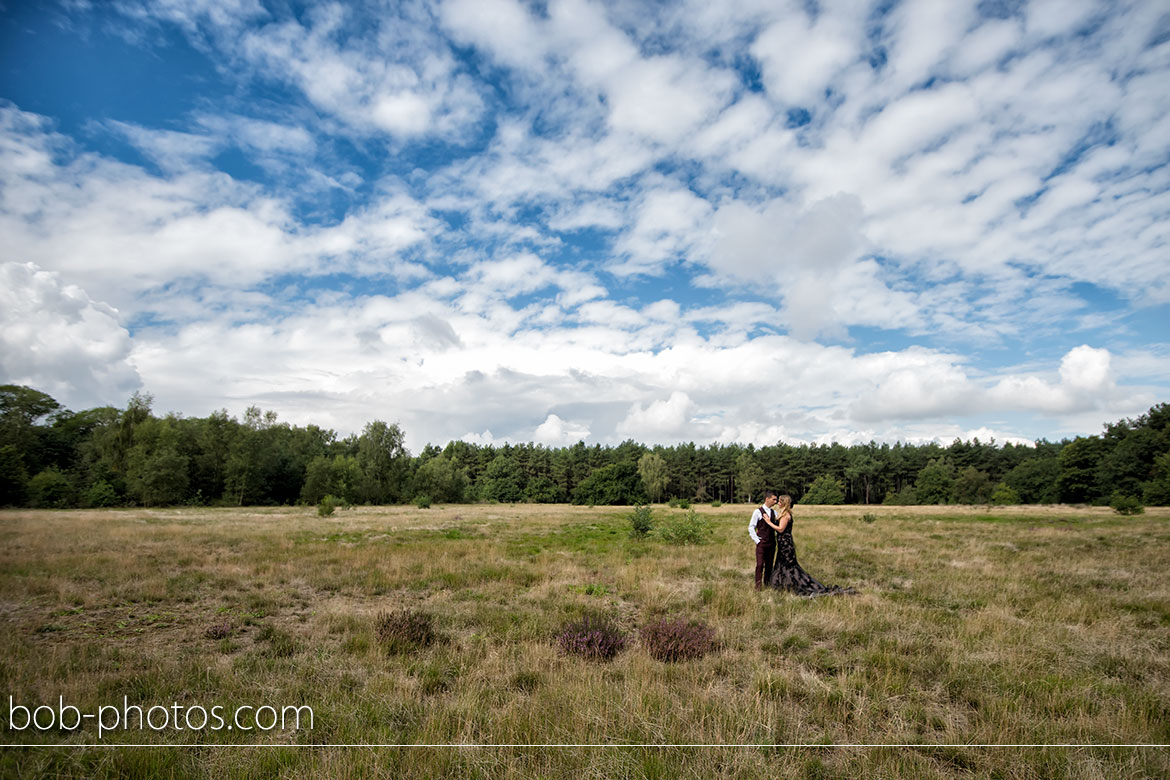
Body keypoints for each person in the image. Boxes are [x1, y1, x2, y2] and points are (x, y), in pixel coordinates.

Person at [768, 494, 857, 597]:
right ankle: (781, 585)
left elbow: (780, 529)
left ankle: (793, 584)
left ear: (784, 503)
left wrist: (768, 522)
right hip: (783, 543)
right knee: (781, 564)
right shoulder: (783, 514)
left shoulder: (786, 515)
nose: (777, 503)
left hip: (786, 545)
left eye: (779, 501)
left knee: (788, 566)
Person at [749, 489, 780, 590]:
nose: (775, 502)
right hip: (762, 543)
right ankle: (758, 586)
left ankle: (767, 584)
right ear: (767, 499)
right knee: (759, 564)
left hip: (772, 543)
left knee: (769, 565)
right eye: (774, 499)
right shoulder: (757, 512)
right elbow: (751, 527)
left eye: (776, 500)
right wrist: (757, 540)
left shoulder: (774, 513)